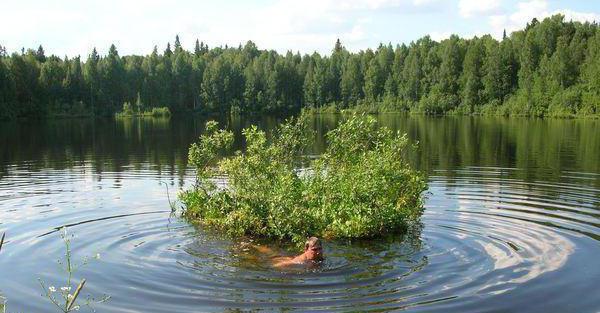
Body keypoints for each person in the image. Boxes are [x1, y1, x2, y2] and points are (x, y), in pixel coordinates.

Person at [249, 237, 324, 268]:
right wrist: (266, 267)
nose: (318, 252)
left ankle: (253, 245)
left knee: (272, 253)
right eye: (314, 250)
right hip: (281, 260)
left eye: (320, 249)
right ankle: (251, 245)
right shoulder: (300, 260)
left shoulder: (319, 256)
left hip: (287, 257)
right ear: (306, 249)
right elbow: (280, 264)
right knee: (271, 256)